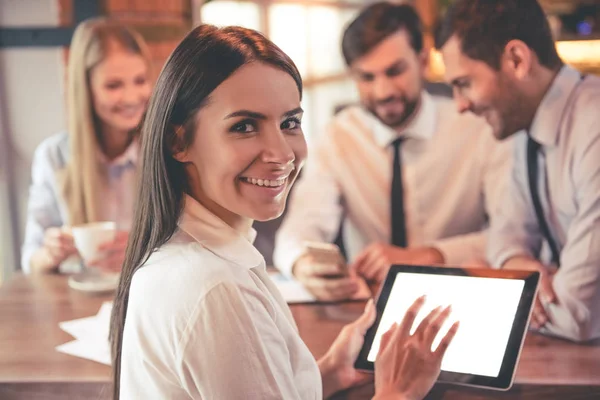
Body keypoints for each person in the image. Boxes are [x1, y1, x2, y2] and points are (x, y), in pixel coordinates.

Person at [109, 24, 459, 400]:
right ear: (179, 141)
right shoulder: (217, 290)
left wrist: (326, 374)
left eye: (290, 123)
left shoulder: (189, 257)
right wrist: (398, 393)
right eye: (244, 127)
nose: (281, 154)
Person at [273, 2, 512, 300]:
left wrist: (427, 255)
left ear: (422, 61)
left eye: (395, 71)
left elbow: (513, 236)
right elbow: (302, 226)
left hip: (464, 294)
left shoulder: (479, 129)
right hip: (367, 305)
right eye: (367, 78)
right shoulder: (339, 136)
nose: (383, 91)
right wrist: (303, 264)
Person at [437, 0, 600, 342]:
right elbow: (505, 235)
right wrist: (516, 263)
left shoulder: (594, 129)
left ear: (517, 60)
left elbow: (577, 315)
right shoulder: (524, 123)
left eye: (464, 83)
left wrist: (515, 292)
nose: (460, 105)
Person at [21, 18, 152, 274]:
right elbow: (31, 260)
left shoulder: (167, 150)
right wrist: (50, 252)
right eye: (113, 85)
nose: (131, 97)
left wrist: (142, 251)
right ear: (86, 89)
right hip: (81, 299)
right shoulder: (54, 156)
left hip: (148, 295)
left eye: (140, 80)